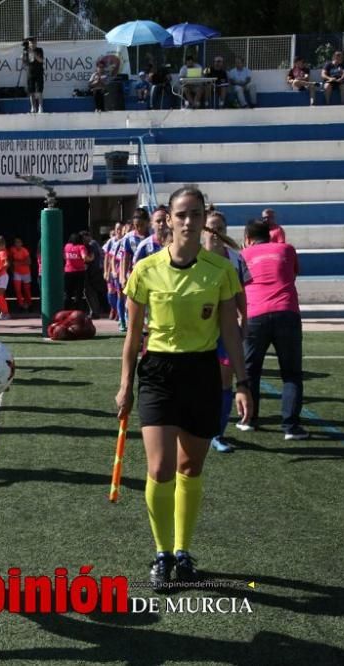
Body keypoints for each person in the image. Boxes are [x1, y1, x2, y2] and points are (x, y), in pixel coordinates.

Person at [115, 186, 250, 588]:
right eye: (181, 215)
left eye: (195, 214)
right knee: (160, 467)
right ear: (168, 220)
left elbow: (230, 331)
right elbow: (133, 334)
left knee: (191, 467)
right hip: (157, 372)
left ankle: (183, 551)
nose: (188, 222)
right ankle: (161, 552)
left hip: (202, 372)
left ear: (203, 219)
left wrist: (243, 383)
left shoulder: (221, 270)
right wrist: (125, 385)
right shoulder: (146, 270)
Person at [240, 219, 308, 440]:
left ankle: (249, 419)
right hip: (286, 311)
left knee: (251, 371)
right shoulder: (287, 249)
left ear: (247, 238)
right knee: (291, 373)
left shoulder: (244, 255)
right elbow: (292, 274)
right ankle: (291, 426)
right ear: (270, 234)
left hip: (255, 314)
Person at [203, 211, 250, 453]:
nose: (216, 233)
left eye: (220, 228)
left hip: (225, 331)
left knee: (224, 381)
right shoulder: (194, 257)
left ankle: (217, 433)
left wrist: (244, 318)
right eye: (211, 228)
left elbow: (241, 292)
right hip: (198, 331)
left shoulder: (235, 259)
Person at [118, 210, 153, 333]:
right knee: (134, 306)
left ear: (148, 223)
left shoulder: (153, 236)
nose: (138, 228)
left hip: (153, 277)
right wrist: (122, 276)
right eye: (136, 225)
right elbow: (124, 258)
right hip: (135, 276)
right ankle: (133, 331)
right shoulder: (129, 238)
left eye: (141, 225)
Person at [63, 232, 90, 310]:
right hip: (79, 272)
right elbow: (84, 257)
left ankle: (66, 308)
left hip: (68, 271)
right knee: (78, 292)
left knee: (68, 292)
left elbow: (64, 256)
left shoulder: (67, 246)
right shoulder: (81, 247)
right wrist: (91, 258)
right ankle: (77, 309)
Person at [9, 237, 32, 311]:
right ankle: (21, 305)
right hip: (17, 273)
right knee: (17, 290)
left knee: (26, 290)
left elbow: (29, 262)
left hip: (26, 273)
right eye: (16, 242)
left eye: (19, 242)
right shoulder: (12, 250)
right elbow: (10, 260)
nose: (17, 244)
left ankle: (29, 304)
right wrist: (12, 270)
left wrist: (18, 263)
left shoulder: (24, 250)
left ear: (21, 243)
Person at [22, 38, 45, 113]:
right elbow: (25, 63)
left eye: (33, 42)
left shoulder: (39, 50)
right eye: (30, 43)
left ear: (36, 43)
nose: (32, 44)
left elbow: (41, 60)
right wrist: (23, 57)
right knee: (31, 91)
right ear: (29, 44)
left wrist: (33, 53)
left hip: (38, 72)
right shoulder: (26, 51)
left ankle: (40, 107)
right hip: (30, 73)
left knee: (39, 91)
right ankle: (33, 107)